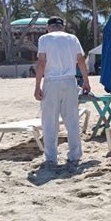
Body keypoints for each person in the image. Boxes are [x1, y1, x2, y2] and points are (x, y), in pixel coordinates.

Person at [34, 17, 90, 165]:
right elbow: (81, 60)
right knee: (72, 119)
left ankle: (51, 157)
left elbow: (41, 63)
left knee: (49, 121)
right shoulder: (72, 38)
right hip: (70, 81)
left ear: (49, 27)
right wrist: (86, 81)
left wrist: (37, 85)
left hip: (52, 81)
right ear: (62, 27)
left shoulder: (44, 39)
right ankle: (75, 154)